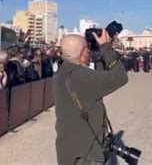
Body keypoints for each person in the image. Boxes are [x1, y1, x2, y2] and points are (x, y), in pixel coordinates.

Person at [54, 30, 128, 164]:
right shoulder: (81, 77)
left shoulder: (63, 72)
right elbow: (120, 77)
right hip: (86, 154)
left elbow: (97, 78)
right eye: (87, 48)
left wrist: (97, 55)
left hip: (69, 151)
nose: (89, 51)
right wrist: (105, 47)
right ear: (83, 52)